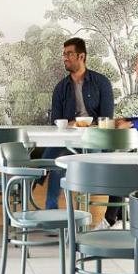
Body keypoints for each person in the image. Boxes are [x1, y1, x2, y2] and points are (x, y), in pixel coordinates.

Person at [42, 37, 115, 209]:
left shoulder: (102, 83)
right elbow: (56, 122)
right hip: (69, 141)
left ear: (81, 56)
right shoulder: (60, 88)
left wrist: (87, 124)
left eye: (69, 54)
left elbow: (107, 119)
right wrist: (73, 124)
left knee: (64, 159)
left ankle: (37, 175)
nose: (65, 58)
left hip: (95, 140)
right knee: (58, 162)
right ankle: (50, 210)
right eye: (64, 54)